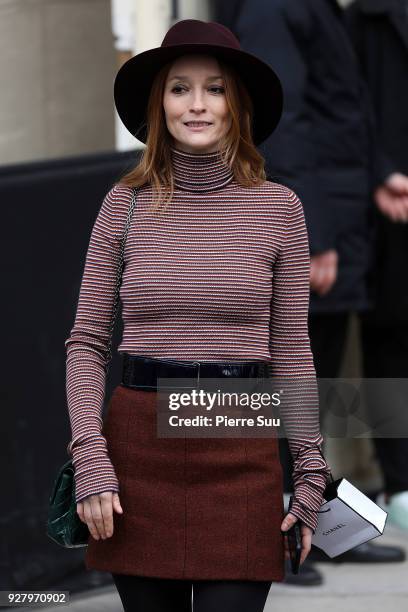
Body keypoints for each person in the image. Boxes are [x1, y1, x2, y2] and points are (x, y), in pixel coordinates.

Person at [64, 19, 332, 612]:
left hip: (240, 442)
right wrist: (91, 459)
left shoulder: (279, 209)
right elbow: (85, 344)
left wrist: (311, 472)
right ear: (159, 103)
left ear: (238, 104)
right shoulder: (123, 204)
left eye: (215, 88)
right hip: (137, 452)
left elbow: (291, 349)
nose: (198, 105)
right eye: (180, 88)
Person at [213, 0, 407, 584]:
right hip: (316, 224)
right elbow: (281, 121)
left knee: (309, 391)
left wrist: (379, 176)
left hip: (342, 213)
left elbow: (343, 109)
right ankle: (276, 538)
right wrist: (313, 232)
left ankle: (319, 530)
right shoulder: (275, 7)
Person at [344, 0, 408, 531]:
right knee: (391, 342)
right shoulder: (366, 16)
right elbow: (348, 106)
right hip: (391, 208)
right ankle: (401, 483)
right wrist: (381, 171)